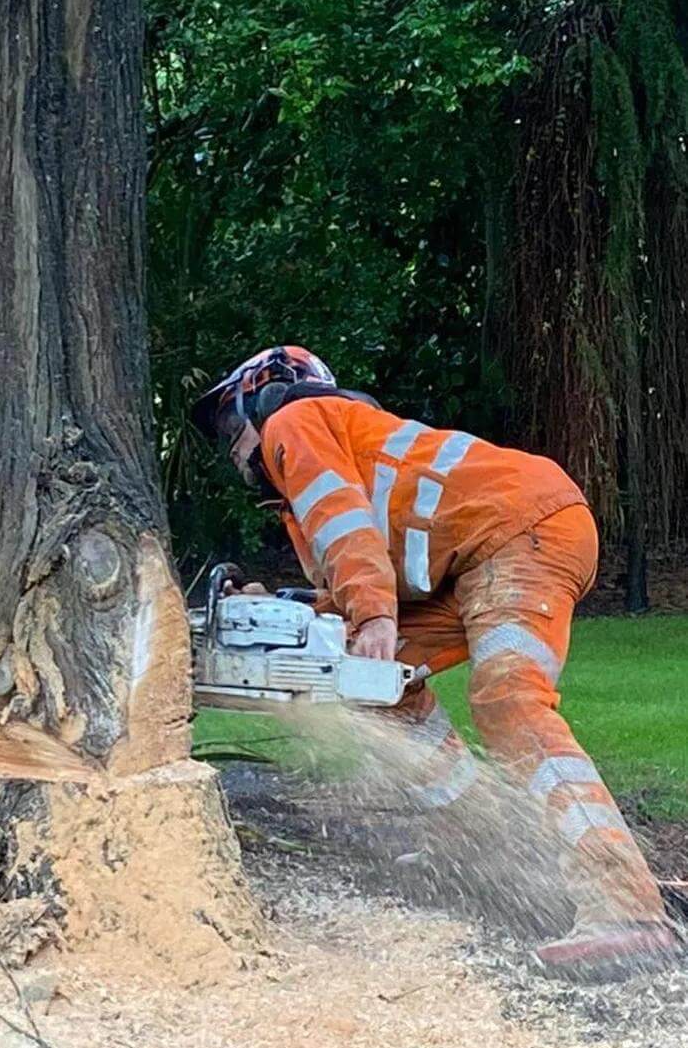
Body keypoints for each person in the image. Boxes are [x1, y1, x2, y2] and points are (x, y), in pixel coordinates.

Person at [192, 344, 678, 981]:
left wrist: (372, 619)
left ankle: (628, 910)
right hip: (466, 567)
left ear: (267, 391)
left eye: (232, 425)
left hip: (518, 532)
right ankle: (486, 842)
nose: (234, 448)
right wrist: (300, 609)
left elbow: (345, 527)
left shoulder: (295, 421)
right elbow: (357, 558)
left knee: (509, 700)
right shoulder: (329, 457)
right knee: (373, 688)